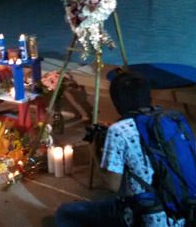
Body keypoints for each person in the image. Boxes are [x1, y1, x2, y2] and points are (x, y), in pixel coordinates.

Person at [55, 71, 185, 227]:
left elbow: (112, 185)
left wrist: (94, 148)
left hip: (144, 216)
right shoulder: (170, 119)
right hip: (178, 210)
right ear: (148, 97)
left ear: (117, 101)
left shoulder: (119, 130)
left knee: (66, 212)